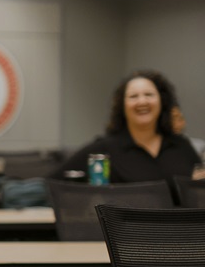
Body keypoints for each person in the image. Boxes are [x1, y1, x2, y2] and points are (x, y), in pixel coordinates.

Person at [53, 70, 201, 187]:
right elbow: (52, 183)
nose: (142, 101)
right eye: (133, 96)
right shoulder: (104, 149)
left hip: (178, 225)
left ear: (162, 101)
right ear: (122, 106)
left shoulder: (182, 146)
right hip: (125, 226)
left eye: (149, 94)